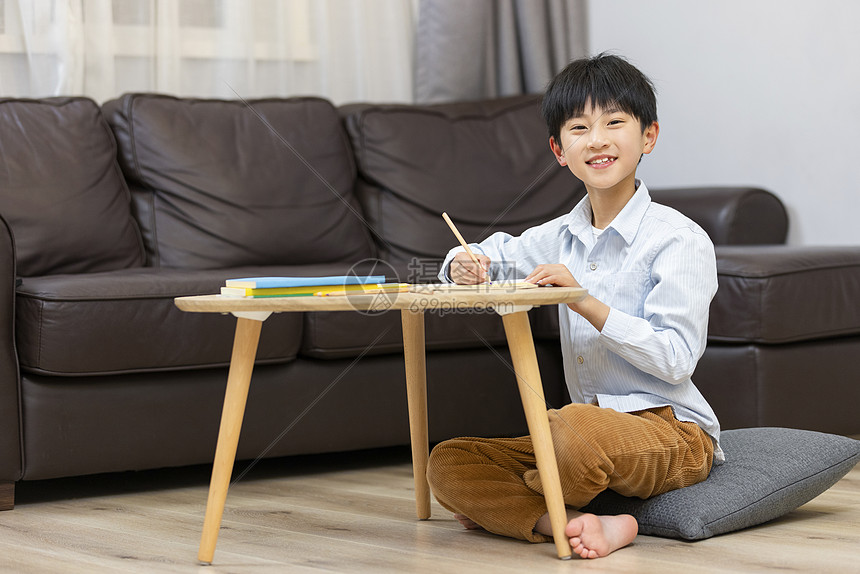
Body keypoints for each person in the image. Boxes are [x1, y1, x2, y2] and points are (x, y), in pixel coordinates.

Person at [427, 53, 723, 559]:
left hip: (671, 432)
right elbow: (484, 254)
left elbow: (676, 358)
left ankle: (522, 503)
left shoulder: (679, 239)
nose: (598, 139)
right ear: (559, 150)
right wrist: (462, 263)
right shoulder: (559, 236)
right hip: (581, 430)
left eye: (615, 123)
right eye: (579, 128)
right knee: (449, 462)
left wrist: (583, 300)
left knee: (566, 430)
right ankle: (579, 520)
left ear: (648, 136)